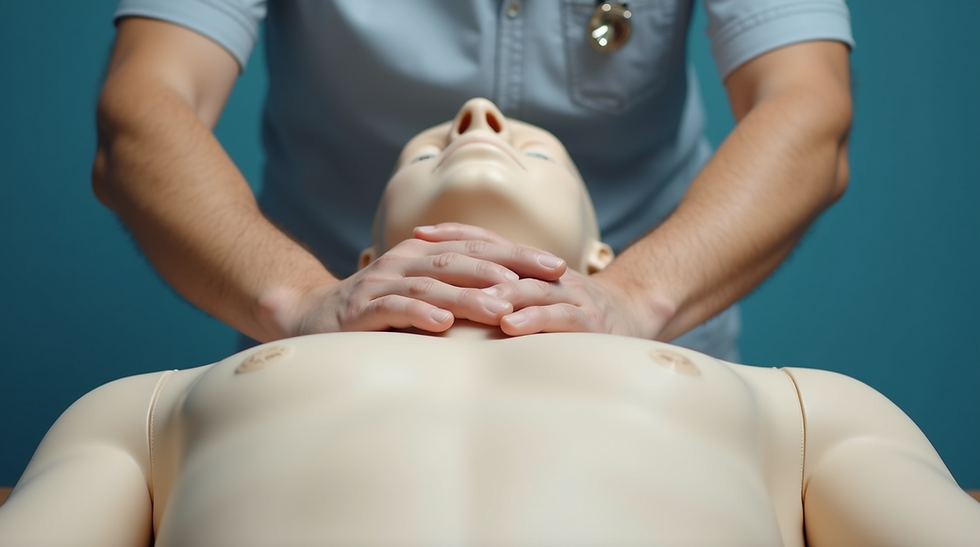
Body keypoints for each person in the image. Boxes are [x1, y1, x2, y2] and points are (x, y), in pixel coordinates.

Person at [3, 105, 978, 547]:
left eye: (538, 146)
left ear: (603, 253)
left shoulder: (800, 409)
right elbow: (140, 112)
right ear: (361, 255)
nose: (476, 113)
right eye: (425, 145)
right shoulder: (148, 410)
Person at [92, 1, 855, 360]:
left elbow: (806, 105)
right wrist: (294, 300)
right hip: (327, 343)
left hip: (654, 341)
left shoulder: (747, 422)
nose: (477, 118)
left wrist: (635, 298)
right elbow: (146, 107)